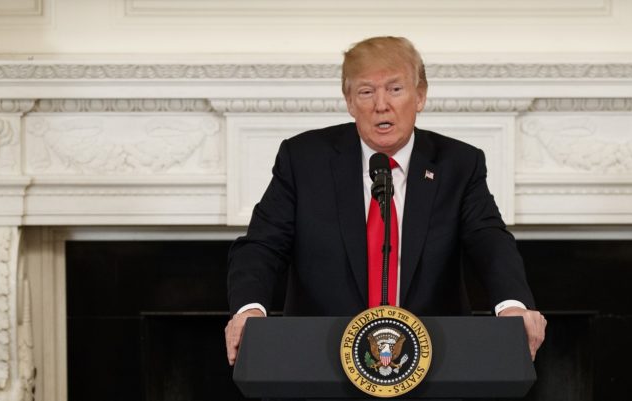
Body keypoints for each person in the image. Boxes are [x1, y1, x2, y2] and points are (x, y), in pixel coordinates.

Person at [224, 36, 546, 367]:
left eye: (395, 89)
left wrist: (513, 306)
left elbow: (489, 240)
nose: (381, 105)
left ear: (420, 96)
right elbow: (261, 246)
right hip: (320, 361)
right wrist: (249, 311)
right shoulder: (304, 159)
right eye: (366, 92)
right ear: (349, 101)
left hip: (433, 362)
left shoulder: (457, 164)